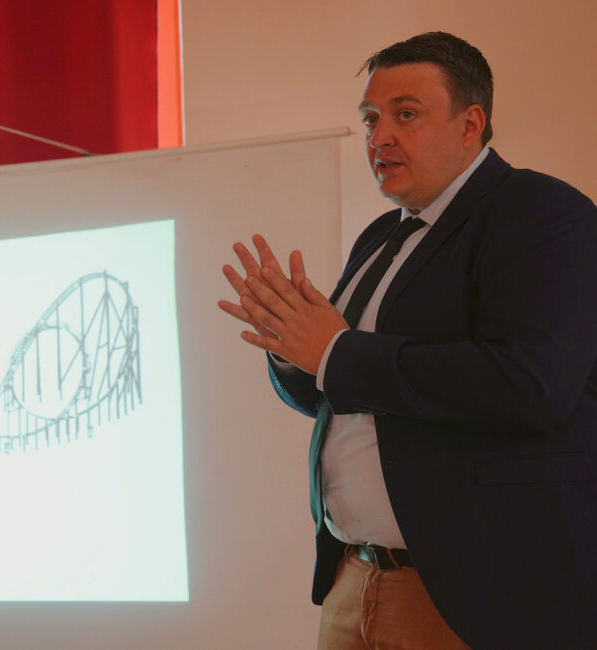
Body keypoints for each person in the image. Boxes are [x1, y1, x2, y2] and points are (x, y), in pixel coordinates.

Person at [219, 32, 597, 649]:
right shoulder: (379, 236)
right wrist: (293, 353)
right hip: (353, 576)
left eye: (406, 115)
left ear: (470, 124)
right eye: (370, 118)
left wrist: (335, 352)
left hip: (470, 594)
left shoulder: (542, 213)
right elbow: (340, 389)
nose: (379, 137)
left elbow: (531, 385)